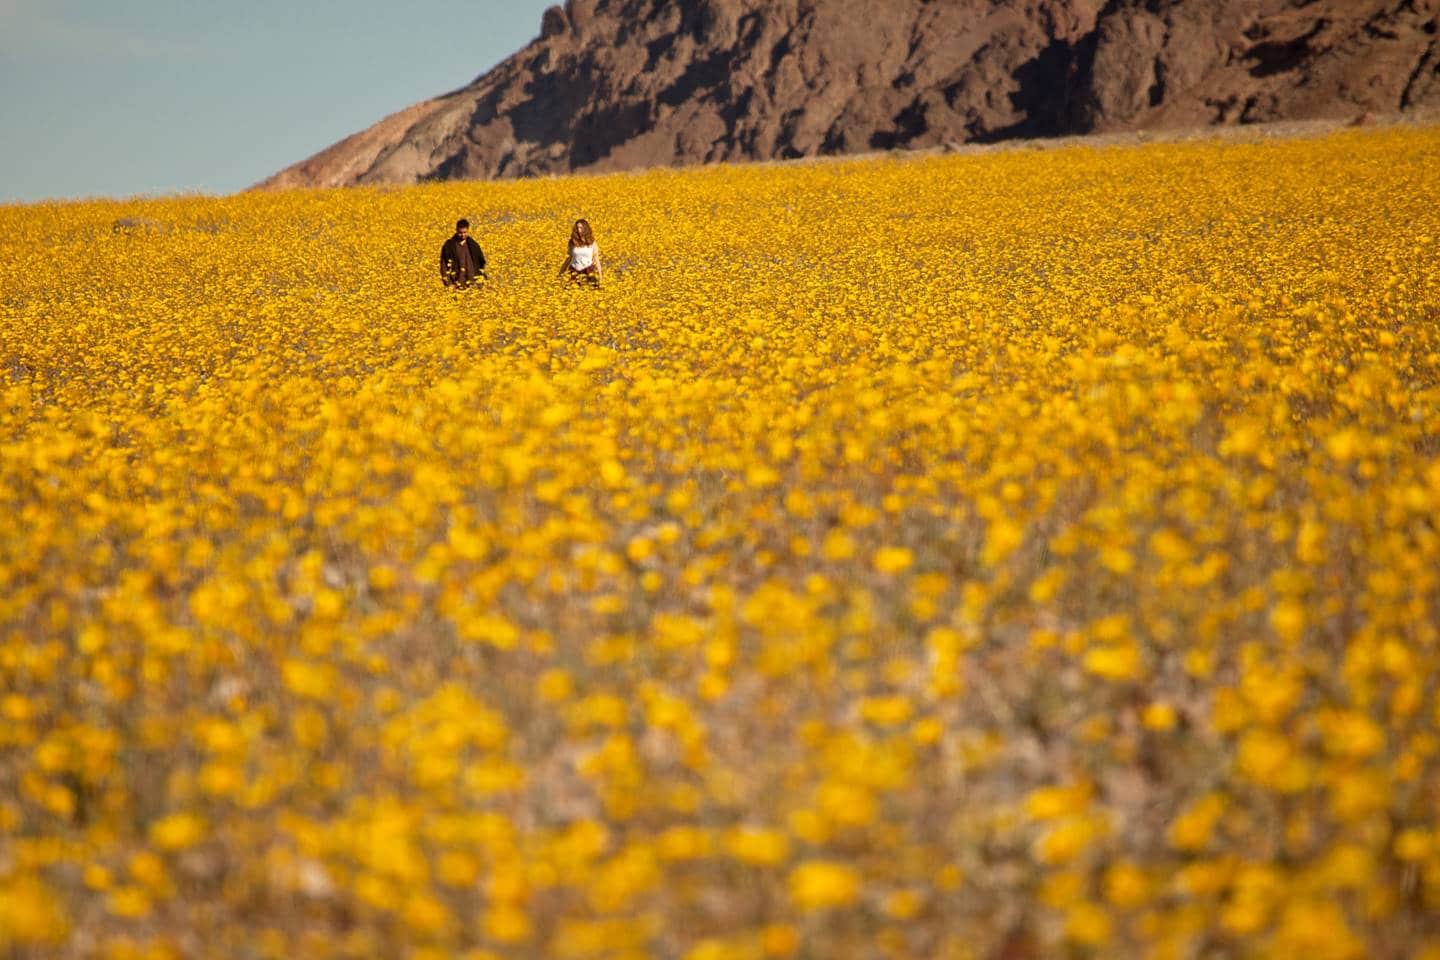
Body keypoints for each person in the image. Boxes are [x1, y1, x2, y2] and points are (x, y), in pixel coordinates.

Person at [440, 219, 486, 289]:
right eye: (460, 233)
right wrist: (449, 284)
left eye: (465, 232)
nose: (463, 235)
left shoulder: (474, 245)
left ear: (468, 230)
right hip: (456, 285)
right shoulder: (449, 246)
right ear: (456, 230)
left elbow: (481, 264)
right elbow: (444, 266)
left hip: (473, 285)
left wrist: (483, 280)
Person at [558, 219, 601, 288]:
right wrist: (560, 274)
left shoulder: (592, 243)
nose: (579, 230)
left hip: (588, 271)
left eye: (581, 228)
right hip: (574, 271)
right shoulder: (572, 242)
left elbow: (597, 260)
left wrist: (600, 277)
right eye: (577, 228)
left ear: (585, 229)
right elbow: (568, 259)